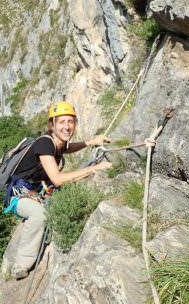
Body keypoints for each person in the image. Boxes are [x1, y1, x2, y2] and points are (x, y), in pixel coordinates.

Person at [10, 101, 113, 280]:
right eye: (62, 122)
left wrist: (92, 142)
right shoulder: (44, 144)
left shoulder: (57, 143)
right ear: (52, 125)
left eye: (71, 122)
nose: (67, 126)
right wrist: (93, 169)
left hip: (38, 191)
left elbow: (68, 148)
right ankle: (20, 264)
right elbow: (57, 179)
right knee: (39, 215)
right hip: (20, 195)